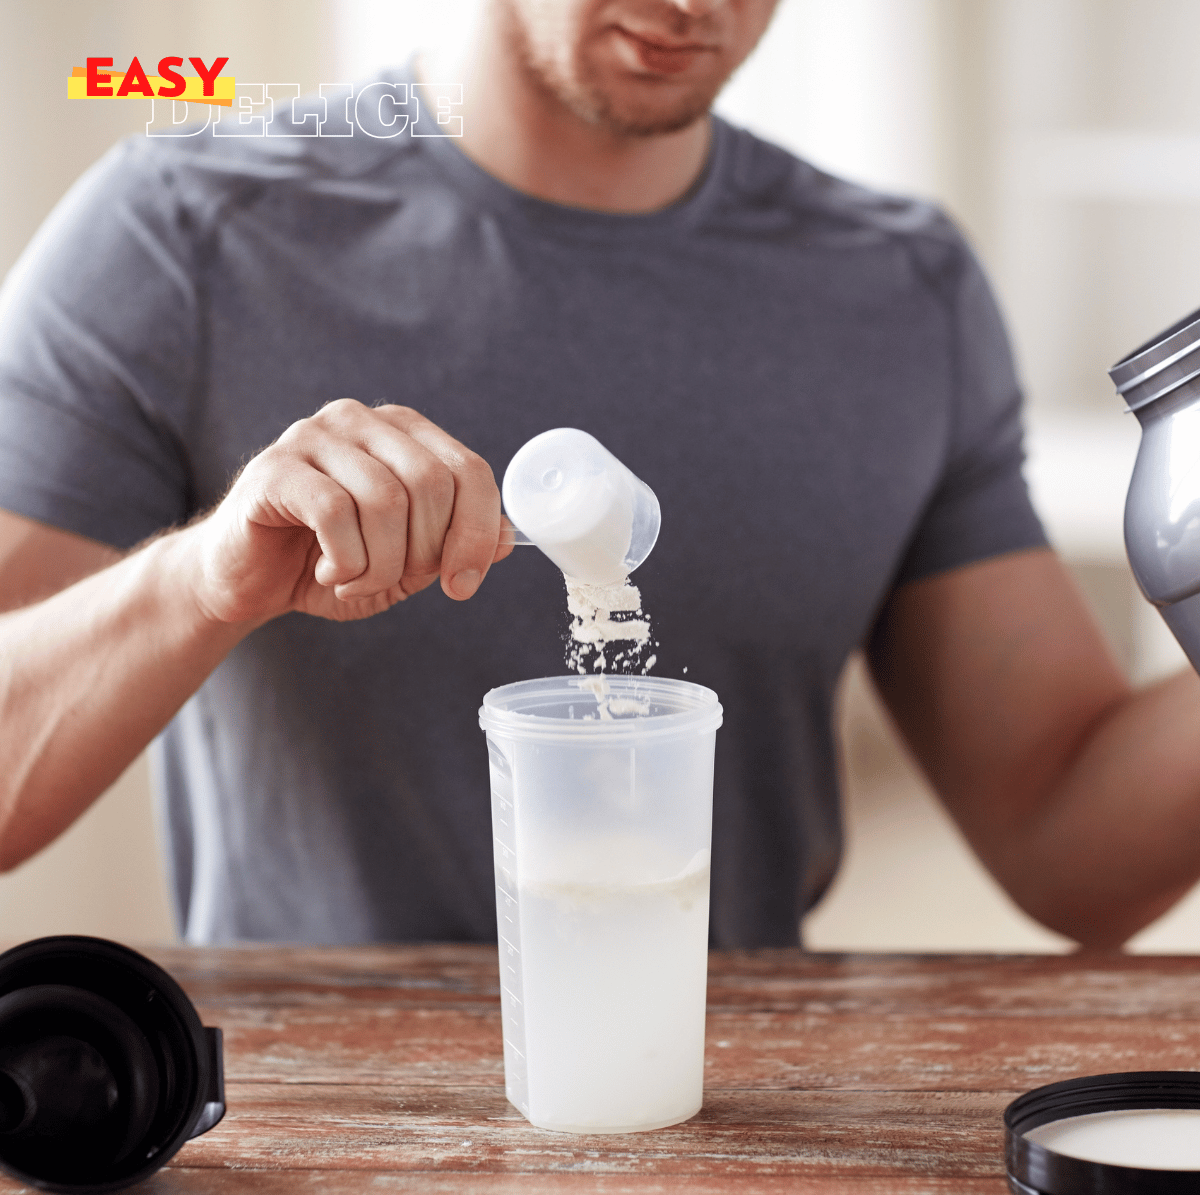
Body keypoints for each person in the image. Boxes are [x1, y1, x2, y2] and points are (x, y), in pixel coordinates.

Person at [0, 0, 1196, 948]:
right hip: (316, 1117)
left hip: (732, 1117)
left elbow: (1069, 841)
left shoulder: (900, 290)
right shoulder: (185, 233)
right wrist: (202, 583)